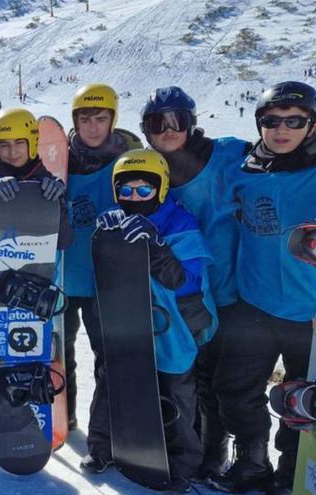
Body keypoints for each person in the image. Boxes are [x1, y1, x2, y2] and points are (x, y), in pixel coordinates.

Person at [138, 86, 252, 483]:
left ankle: (215, 451)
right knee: (186, 373)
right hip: (176, 294)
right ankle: (189, 444)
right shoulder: (145, 170)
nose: (169, 130)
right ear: (146, 130)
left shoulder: (226, 156)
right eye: (158, 123)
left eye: (178, 121)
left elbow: (273, 160)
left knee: (217, 379)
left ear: (192, 124)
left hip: (227, 286)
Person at [211, 82, 316, 495]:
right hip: (253, 305)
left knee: (303, 401)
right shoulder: (243, 173)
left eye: (295, 120)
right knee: (234, 389)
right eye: (271, 121)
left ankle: (293, 471)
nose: (282, 129)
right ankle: (251, 463)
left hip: (310, 314)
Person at [94, 149, 216, 492]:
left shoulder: (180, 221)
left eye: (144, 190)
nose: (133, 198)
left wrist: (158, 247)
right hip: (129, 320)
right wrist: (103, 241)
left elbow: (186, 280)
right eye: (126, 190)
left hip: (173, 324)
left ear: (161, 189)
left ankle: (182, 465)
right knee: (113, 381)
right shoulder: (114, 217)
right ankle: (103, 447)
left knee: (177, 390)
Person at [0, 108, 71, 472]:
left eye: (18, 143)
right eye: (1, 145)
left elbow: (64, 240)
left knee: (23, 369)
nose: (10, 151)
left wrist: (57, 203)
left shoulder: (49, 184)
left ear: (32, 142)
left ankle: (25, 431)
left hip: (28, 302)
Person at [62, 83, 141, 468]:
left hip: (105, 279)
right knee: (59, 357)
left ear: (113, 119)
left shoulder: (130, 161)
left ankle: (102, 439)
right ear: (75, 120)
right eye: (85, 118)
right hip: (62, 274)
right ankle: (64, 418)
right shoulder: (58, 159)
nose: (93, 126)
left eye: (101, 117)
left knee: (106, 359)